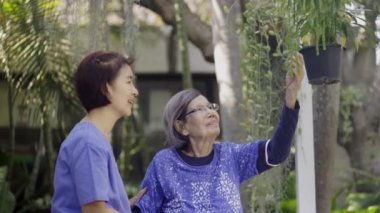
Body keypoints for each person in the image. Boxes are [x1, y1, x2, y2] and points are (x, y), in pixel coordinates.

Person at [135, 55, 305, 212]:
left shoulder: (230, 155)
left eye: (211, 107)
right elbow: (142, 209)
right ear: (181, 127)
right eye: (199, 109)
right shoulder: (164, 163)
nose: (211, 112)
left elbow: (276, 153)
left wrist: (290, 100)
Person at [52, 51, 145, 213]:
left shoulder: (92, 137)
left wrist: (124, 205)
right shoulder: (89, 141)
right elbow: (95, 211)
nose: (135, 91)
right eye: (129, 82)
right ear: (106, 87)